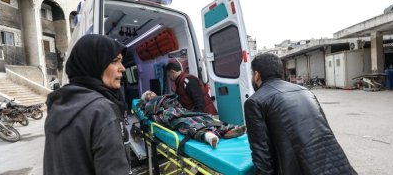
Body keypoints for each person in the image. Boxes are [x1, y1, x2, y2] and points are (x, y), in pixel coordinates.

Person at [244, 53, 356, 175]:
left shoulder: (255, 101)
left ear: (256, 75)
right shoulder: (305, 91)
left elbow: (262, 156)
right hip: (339, 167)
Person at [44, 34, 130, 175]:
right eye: (115, 61)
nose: (123, 68)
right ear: (93, 64)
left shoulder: (58, 104)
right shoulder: (101, 111)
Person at [139, 90, 246, 149]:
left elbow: (176, 103)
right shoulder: (149, 104)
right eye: (147, 94)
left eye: (151, 92)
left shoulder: (165, 97)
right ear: (145, 99)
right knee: (182, 122)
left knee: (201, 116)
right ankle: (207, 136)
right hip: (167, 114)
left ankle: (227, 130)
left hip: (179, 110)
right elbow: (150, 113)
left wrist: (179, 108)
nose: (151, 94)